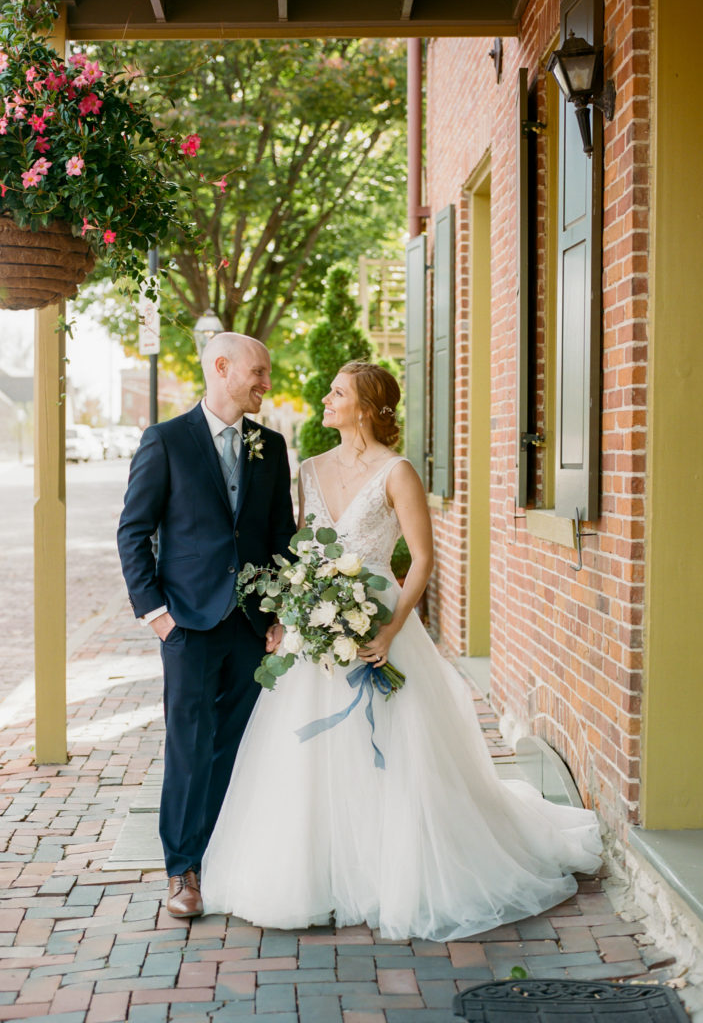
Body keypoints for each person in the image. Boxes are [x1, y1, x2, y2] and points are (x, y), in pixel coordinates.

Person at [200, 360, 602, 940]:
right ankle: (322, 870)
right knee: (310, 757)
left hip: (379, 617)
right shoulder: (309, 469)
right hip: (315, 626)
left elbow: (420, 558)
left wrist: (388, 630)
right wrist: (294, 612)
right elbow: (304, 547)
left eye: (336, 392)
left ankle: (395, 868)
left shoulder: (398, 471)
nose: (326, 398)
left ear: (364, 407)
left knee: (391, 749)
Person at [117, 333, 295, 919]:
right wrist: (157, 614)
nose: (265, 382)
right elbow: (133, 532)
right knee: (190, 747)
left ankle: (224, 856)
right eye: (259, 372)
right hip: (187, 624)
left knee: (236, 746)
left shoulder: (271, 446)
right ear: (222, 368)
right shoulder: (165, 441)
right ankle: (182, 870)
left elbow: (278, 537)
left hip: (250, 626)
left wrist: (276, 615)